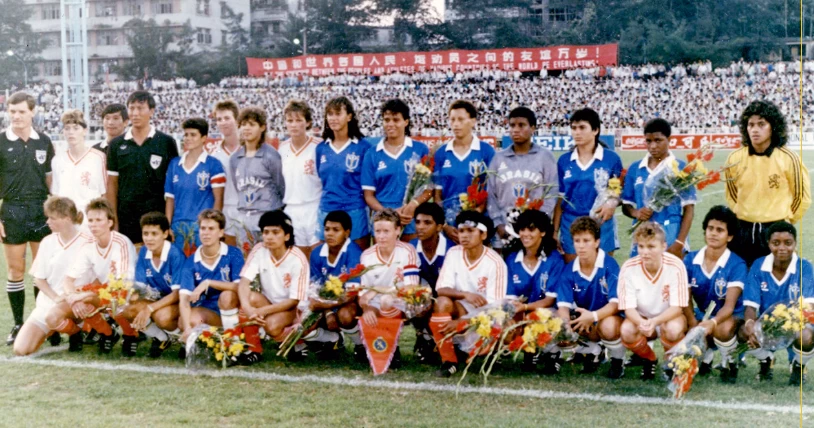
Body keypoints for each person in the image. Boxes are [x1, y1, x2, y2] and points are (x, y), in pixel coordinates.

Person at [45, 198, 137, 355]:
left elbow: (122, 284)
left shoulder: (121, 242)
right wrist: (73, 297)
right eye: (91, 220)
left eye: (99, 220)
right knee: (78, 296)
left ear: (110, 222)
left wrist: (85, 296)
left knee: (111, 297)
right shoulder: (88, 245)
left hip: (130, 291)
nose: (93, 224)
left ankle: (131, 335)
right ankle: (108, 333)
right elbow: (68, 280)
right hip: (106, 291)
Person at [725, 100, 811, 266]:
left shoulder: (789, 159)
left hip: (775, 231)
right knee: (742, 283)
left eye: (761, 124)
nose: (755, 129)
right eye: (750, 124)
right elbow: (732, 194)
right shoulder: (734, 159)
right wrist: (746, 213)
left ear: (773, 127)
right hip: (743, 231)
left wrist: (785, 220)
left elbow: (802, 197)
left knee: (776, 285)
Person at [1, 91, 56, 345]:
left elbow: (50, 179)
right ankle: (18, 324)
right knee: (16, 270)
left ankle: (41, 322)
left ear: (32, 111)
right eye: (12, 111)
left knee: (41, 271)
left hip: (39, 210)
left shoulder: (43, 141)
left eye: (21, 111)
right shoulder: (1, 141)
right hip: (11, 210)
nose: (16, 116)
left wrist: (53, 212)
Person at [431, 210, 508, 377]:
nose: (464, 236)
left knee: (502, 321)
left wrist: (460, 323)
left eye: (470, 231)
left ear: (483, 234)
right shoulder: (454, 253)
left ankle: (486, 352)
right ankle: (449, 361)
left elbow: (496, 309)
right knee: (442, 302)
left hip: (486, 318)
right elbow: (441, 289)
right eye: (461, 231)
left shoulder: (495, 262)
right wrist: (466, 295)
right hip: (463, 308)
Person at [12, 197, 92, 356]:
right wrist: (55, 298)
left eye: (52, 218)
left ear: (67, 218)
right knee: (21, 349)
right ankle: (70, 330)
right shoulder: (47, 242)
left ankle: (78, 329)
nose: (48, 221)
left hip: (78, 301)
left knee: (55, 316)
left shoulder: (88, 241)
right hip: (50, 302)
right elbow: (38, 279)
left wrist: (76, 296)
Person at [232, 210, 312, 365]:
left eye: (276, 232)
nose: (269, 237)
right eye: (266, 232)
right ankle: (253, 350)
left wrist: (261, 311)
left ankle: (297, 340)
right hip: (270, 303)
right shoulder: (259, 249)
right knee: (248, 298)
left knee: (272, 326)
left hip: (293, 309)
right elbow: (244, 282)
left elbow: (293, 301)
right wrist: (248, 308)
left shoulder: (298, 259)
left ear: (287, 236)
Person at [741, 222, 814, 385]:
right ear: (768, 244)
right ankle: (766, 361)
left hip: (796, 323)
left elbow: (809, 307)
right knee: (744, 331)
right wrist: (750, 323)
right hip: (767, 323)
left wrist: (789, 323)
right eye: (776, 243)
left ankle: (798, 366)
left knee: (807, 336)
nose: (782, 248)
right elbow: (750, 306)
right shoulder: (759, 265)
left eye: (788, 243)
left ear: (795, 244)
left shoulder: (805, 267)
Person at [682, 206, 747, 383]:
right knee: (681, 324)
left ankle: (729, 362)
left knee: (722, 329)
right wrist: (692, 321)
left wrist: (712, 323)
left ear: (730, 236)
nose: (713, 233)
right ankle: (706, 358)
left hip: (730, 315)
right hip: (704, 312)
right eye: (710, 228)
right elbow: (685, 298)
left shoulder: (736, 264)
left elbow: (729, 306)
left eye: (720, 230)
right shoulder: (690, 260)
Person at [553, 216, 624, 378]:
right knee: (559, 321)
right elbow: (563, 305)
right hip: (585, 320)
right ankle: (593, 351)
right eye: (577, 241)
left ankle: (617, 360)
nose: (581, 246)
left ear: (597, 242)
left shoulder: (609, 265)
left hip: (606, 317)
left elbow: (616, 303)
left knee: (609, 326)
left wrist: (592, 316)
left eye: (586, 240)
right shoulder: (569, 269)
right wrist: (565, 328)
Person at [617, 222, 688, 380]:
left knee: (674, 329)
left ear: (663, 246)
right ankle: (649, 358)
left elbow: (677, 307)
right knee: (627, 331)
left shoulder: (676, 266)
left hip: (667, 317)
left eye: (651, 246)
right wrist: (642, 323)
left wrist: (655, 322)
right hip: (641, 318)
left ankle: (670, 361)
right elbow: (628, 308)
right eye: (641, 246)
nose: (645, 252)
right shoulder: (629, 268)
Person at [106, 91, 179, 245]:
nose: (135, 113)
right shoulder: (116, 145)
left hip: (156, 215)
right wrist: (113, 219)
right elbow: (112, 184)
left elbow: (173, 185)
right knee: (129, 264)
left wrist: (169, 219)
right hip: (126, 216)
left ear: (151, 111)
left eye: (140, 108)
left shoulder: (166, 142)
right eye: (131, 108)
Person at [553, 108, 622, 264]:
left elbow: (617, 191)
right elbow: (560, 199)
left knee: (602, 273)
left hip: (602, 225)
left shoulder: (611, 158)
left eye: (582, 127)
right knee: (573, 273)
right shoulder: (564, 161)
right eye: (574, 128)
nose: (577, 132)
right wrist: (555, 231)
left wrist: (611, 204)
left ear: (595, 130)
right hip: (570, 225)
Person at [622, 118, 694, 258]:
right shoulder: (635, 168)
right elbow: (626, 205)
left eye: (658, 140)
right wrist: (636, 213)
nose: (653, 146)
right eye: (648, 141)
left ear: (669, 139)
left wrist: (679, 243)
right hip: (642, 234)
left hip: (671, 233)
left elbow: (689, 209)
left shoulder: (681, 168)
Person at [117, 212, 186, 358]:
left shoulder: (175, 255)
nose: (149, 238)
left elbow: (178, 294)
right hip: (157, 299)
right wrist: (128, 298)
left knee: (163, 317)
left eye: (154, 233)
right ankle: (162, 338)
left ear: (165, 233)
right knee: (127, 309)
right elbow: (140, 288)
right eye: (145, 233)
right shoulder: (143, 251)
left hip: (180, 301)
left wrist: (149, 308)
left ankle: (185, 339)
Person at [504, 209, 565, 372]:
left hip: (546, 311)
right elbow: (510, 297)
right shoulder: (512, 259)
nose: (525, 234)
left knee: (545, 316)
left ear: (543, 232)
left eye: (531, 229)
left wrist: (525, 308)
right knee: (504, 323)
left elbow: (550, 300)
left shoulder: (554, 259)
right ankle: (528, 350)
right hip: (521, 311)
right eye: (522, 229)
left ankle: (553, 352)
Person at [487, 107, 558, 249]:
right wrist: (498, 224)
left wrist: (538, 223)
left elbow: (552, 193)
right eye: (512, 125)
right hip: (504, 232)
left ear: (533, 128)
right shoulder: (498, 158)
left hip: (534, 231)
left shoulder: (544, 157)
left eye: (521, 125)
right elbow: (491, 195)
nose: (515, 130)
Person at [362, 99, 431, 242]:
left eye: (396, 119)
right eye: (386, 120)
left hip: (410, 219)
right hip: (383, 221)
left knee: (410, 261)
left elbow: (429, 189)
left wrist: (413, 205)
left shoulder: (420, 149)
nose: (390, 124)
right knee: (384, 262)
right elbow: (368, 195)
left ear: (406, 121)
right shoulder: (372, 154)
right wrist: (388, 214)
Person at [358, 209, 420, 365]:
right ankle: (377, 347)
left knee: (386, 300)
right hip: (376, 300)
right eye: (378, 231)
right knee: (372, 311)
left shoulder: (407, 251)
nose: (381, 236)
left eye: (386, 231)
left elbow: (411, 288)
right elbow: (364, 295)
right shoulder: (367, 255)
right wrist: (366, 309)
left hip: (402, 300)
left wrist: (377, 289)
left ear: (398, 230)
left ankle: (393, 347)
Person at [178, 210, 244, 353]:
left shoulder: (233, 253)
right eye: (203, 228)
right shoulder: (191, 261)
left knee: (227, 295)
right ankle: (209, 342)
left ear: (221, 232)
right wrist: (188, 328)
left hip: (232, 310)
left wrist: (208, 282)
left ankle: (233, 343)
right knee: (187, 321)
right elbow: (184, 299)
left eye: (211, 229)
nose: (206, 233)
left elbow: (240, 287)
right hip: (209, 312)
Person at [315, 97, 373, 250]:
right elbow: (323, 179)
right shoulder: (321, 148)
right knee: (328, 259)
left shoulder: (363, 147)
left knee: (357, 260)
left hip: (354, 211)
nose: (333, 118)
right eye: (330, 114)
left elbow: (368, 184)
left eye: (338, 114)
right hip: (327, 210)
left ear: (349, 116)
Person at [433, 100, 496, 239]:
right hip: (449, 226)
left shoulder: (486, 151)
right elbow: (437, 195)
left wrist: (476, 214)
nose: (455, 124)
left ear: (473, 121)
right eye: (452, 119)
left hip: (477, 223)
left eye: (461, 119)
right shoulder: (441, 153)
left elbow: (491, 189)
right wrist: (444, 225)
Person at [164, 118, 225, 256]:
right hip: (178, 227)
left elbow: (218, 199)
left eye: (193, 135)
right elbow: (170, 199)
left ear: (204, 138)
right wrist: (167, 226)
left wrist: (213, 227)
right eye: (186, 134)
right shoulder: (174, 164)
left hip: (202, 228)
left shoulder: (214, 164)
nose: (188, 138)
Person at [230, 107, 285, 255]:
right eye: (243, 124)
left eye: (252, 124)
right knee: (248, 263)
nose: (246, 128)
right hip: (245, 218)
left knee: (270, 261)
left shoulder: (271, 155)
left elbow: (280, 185)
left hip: (267, 216)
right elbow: (238, 188)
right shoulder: (235, 158)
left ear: (262, 127)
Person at [309, 210, 364, 358]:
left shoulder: (354, 252)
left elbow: (351, 294)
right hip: (326, 303)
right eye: (327, 229)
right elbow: (315, 287)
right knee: (305, 325)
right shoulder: (316, 253)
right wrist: (327, 314)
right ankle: (332, 339)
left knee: (346, 316)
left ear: (347, 232)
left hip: (349, 303)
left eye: (336, 230)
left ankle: (361, 344)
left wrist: (327, 308)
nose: (330, 234)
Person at [278, 100, 322, 256]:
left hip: (314, 207)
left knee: (318, 255)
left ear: (308, 122)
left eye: (298, 120)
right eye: (290, 121)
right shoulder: (282, 148)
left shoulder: (319, 146)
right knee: (299, 259)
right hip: (291, 209)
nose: (294, 125)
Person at [51, 110, 108, 229]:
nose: (71, 132)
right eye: (67, 128)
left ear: (85, 131)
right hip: (66, 220)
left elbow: (104, 193)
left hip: (91, 221)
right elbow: (56, 194)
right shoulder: (57, 160)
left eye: (76, 128)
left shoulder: (98, 158)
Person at [409, 202, 450, 364]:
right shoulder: (410, 248)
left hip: (447, 298)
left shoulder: (451, 249)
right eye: (418, 222)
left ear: (439, 227)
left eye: (427, 223)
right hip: (425, 295)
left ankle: (447, 340)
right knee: (413, 296)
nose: (420, 227)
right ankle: (423, 337)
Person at [210, 100, 241, 246]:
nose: (223, 123)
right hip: (226, 210)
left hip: (248, 211)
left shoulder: (250, 149)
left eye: (227, 118)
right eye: (219, 119)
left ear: (237, 119)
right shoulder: (214, 154)